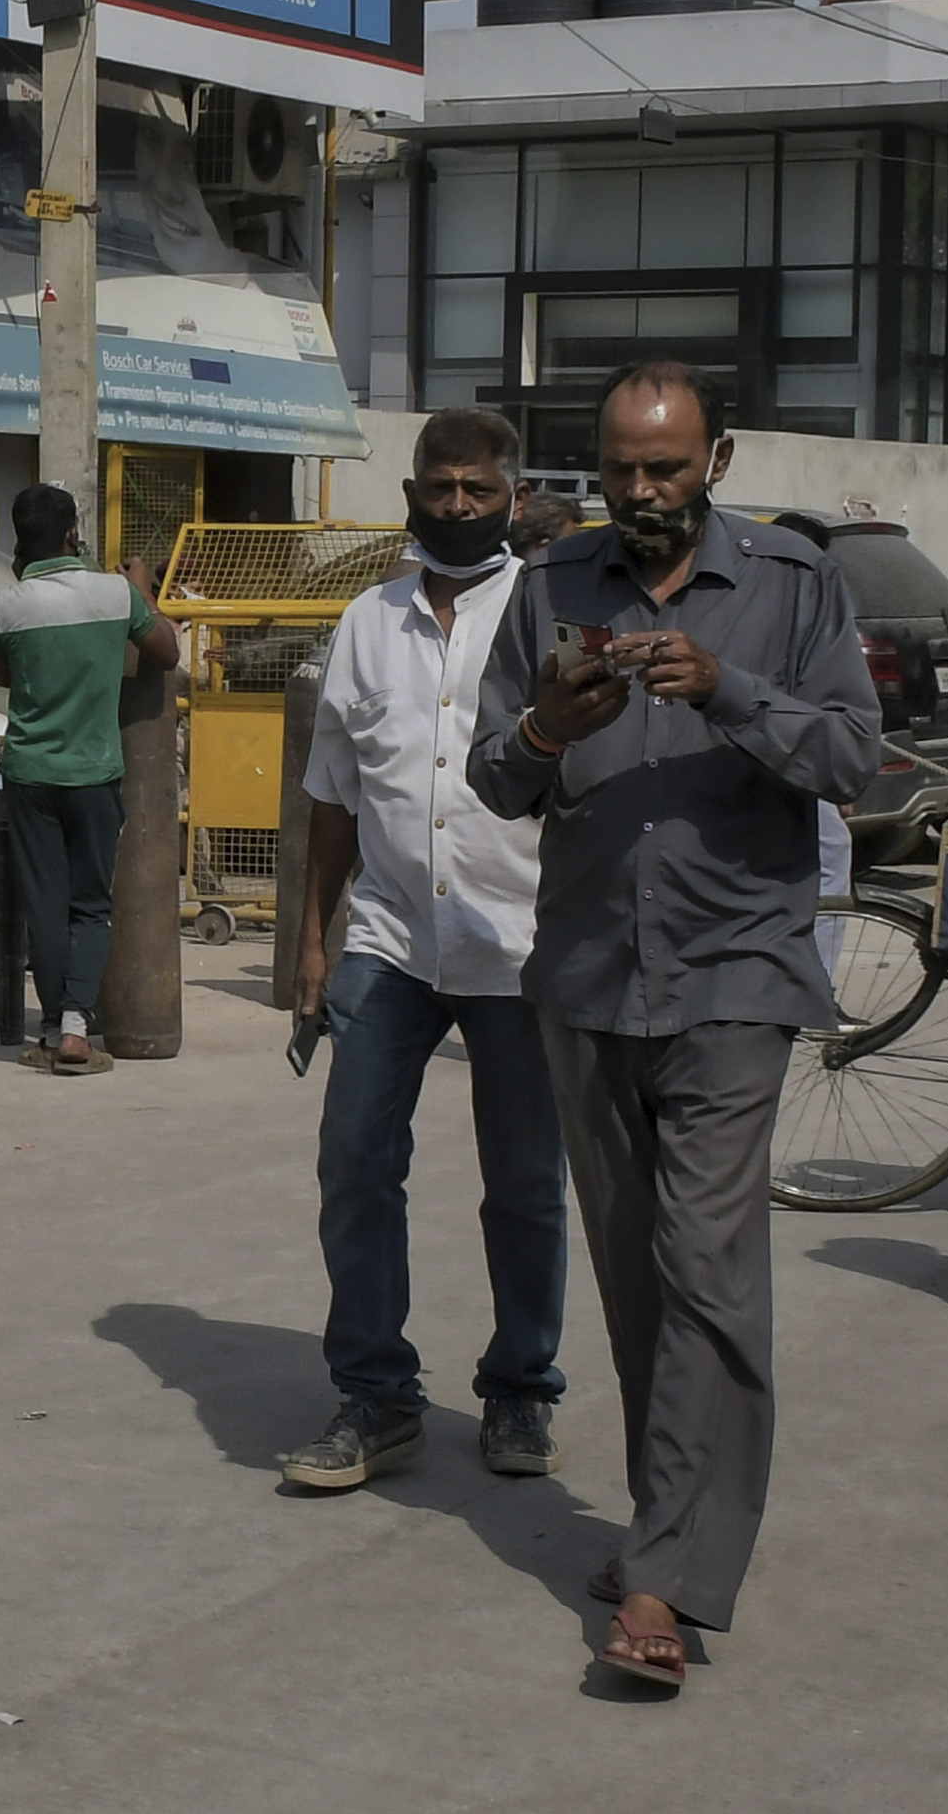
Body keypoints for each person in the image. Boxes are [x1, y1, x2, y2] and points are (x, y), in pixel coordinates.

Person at [466, 359, 877, 1691]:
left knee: (707, 1266)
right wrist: (545, 727)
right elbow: (491, 775)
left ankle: (661, 1579)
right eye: (619, 468)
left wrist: (726, 690)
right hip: (588, 977)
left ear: (718, 460)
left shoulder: (792, 585)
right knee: (636, 1275)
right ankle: (671, 1517)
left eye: (666, 467)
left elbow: (850, 757)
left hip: (732, 973)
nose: (640, 491)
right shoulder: (549, 583)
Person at [278, 406, 565, 1493]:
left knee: (524, 1181)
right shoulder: (367, 621)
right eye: (439, 488)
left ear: (512, 497)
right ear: (411, 494)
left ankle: (521, 1385)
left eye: (478, 490)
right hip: (391, 938)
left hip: (519, 943)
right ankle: (376, 1396)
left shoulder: (545, 617)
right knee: (354, 1160)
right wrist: (312, 944)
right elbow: (332, 795)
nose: (457, 506)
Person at [0, 482, 179, 1074]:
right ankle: (75, 1031)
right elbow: (166, 651)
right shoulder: (114, 594)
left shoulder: (5, 604)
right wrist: (142, 589)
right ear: (73, 533)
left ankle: (50, 1031)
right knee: (91, 905)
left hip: (29, 775)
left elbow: (2, 673)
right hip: (93, 775)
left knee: (45, 905)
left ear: (20, 542)